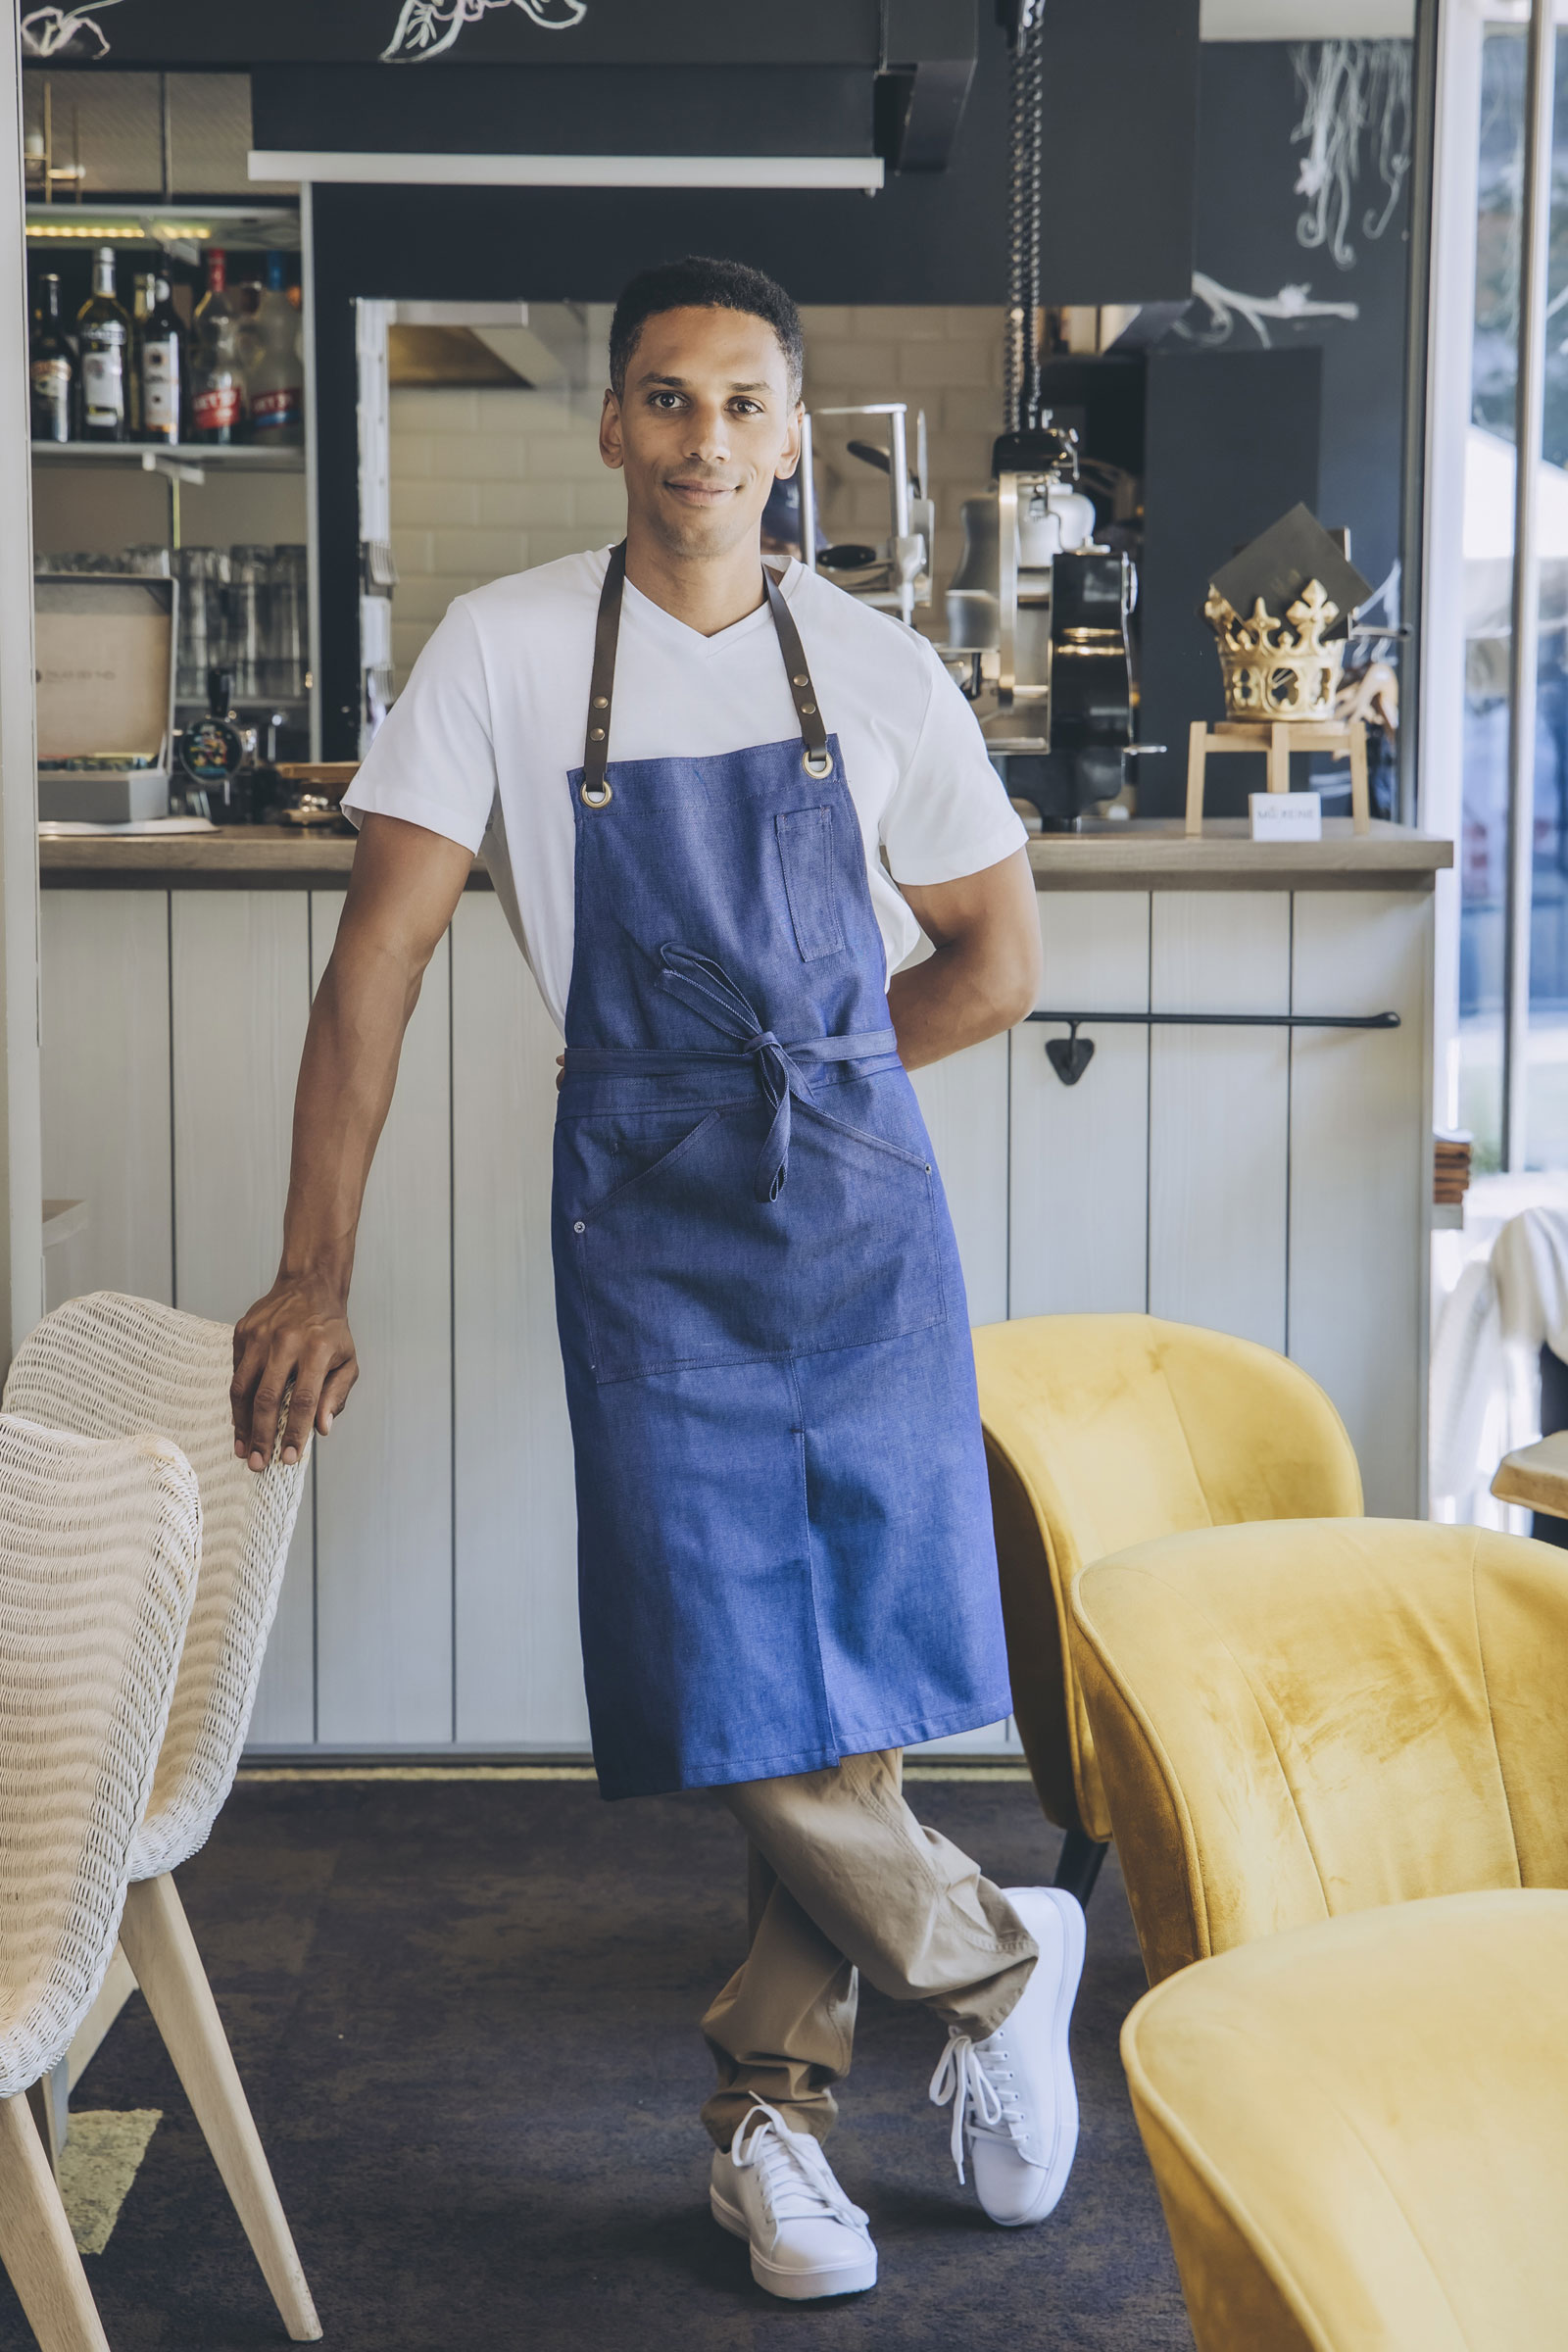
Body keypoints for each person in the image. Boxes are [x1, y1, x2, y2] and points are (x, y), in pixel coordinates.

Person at [229, 255, 1085, 2302]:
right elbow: (380, 960)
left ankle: (767, 2126)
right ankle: (988, 1951)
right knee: (719, 1648)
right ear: (611, 427)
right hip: (644, 1209)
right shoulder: (508, 652)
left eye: (739, 405)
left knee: (848, 1666)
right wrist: (309, 1271)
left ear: (791, 437)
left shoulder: (874, 671)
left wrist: (820, 1069)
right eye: (665, 401)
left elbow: (995, 964)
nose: (704, 441)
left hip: (851, 1206)